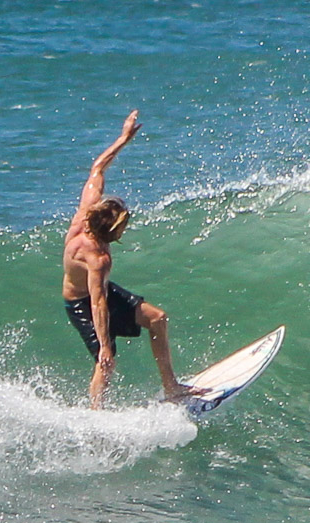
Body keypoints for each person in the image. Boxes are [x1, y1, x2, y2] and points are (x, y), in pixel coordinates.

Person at [62, 110, 188, 409]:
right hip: (80, 303)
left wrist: (124, 138)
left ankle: (171, 387)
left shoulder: (87, 211)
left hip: (96, 295)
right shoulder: (97, 257)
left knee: (157, 318)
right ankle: (96, 416)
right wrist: (105, 345)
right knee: (106, 362)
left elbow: (97, 168)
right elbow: (97, 302)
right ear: (111, 230)